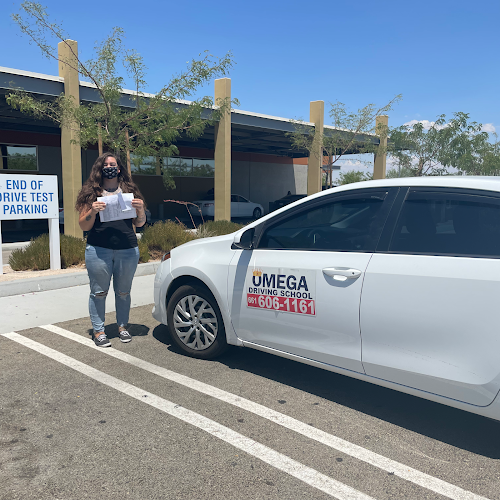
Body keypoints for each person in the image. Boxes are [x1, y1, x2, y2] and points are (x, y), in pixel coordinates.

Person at [75, 152, 147, 347]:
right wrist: (93, 211)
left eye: (113, 164)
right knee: (98, 292)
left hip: (127, 249)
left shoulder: (129, 190)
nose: (109, 167)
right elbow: (84, 226)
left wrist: (140, 210)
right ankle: (99, 331)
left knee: (123, 292)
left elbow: (139, 223)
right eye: (105, 164)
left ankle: (122, 327)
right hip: (99, 249)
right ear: (99, 168)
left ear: (119, 168)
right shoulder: (90, 193)